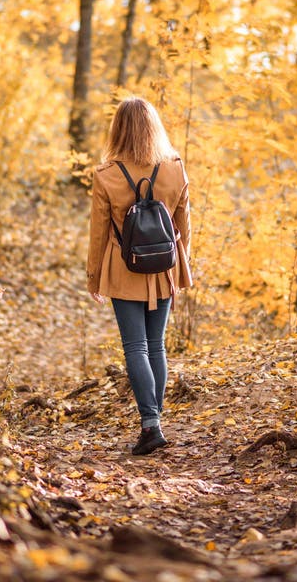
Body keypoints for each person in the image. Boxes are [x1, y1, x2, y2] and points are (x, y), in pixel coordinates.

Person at [87, 97, 192, 455]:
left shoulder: (106, 175)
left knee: (135, 346)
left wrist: (93, 277)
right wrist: (182, 267)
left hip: (123, 268)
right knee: (156, 346)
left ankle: (151, 424)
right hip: (163, 267)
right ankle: (154, 423)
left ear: (118, 129)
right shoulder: (175, 169)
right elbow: (183, 227)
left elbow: (99, 233)